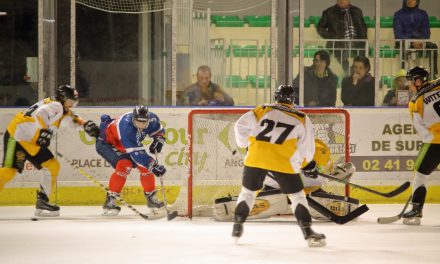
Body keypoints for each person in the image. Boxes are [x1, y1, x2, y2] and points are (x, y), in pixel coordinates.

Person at [231, 84, 326, 247]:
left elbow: (239, 126)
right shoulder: (301, 117)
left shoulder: (262, 109)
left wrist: (245, 145)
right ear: (293, 99)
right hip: (283, 161)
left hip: (256, 157)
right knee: (297, 196)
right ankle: (308, 232)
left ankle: (237, 225)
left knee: (248, 193)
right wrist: (306, 164)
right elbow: (306, 148)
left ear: (276, 97)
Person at [0, 84, 100, 216]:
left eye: (74, 102)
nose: (72, 104)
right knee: (8, 172)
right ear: (63, 98)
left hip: (32, 142)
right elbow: (40, 115)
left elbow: (73, 119)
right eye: (70, 101)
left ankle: (42, 201)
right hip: (17, 137)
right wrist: (44, 132)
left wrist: (86, 125)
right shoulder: (56, 105)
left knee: (52, 166)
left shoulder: (61, 109)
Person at [214, 139, 359, 222]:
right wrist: (345, 171)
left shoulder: (281, 146)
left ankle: (270, 201)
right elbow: (338, 171)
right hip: (304, 190)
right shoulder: (315, 149)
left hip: (281, 188)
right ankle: (305, 201)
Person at [95, 105, 167, 216]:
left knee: (145, 167)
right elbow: (136, 153)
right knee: (124, 165)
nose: (142, 126)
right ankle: (110, 201)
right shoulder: (126, 128)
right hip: (108, 143)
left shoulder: (153, 119)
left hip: (126, 144)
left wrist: (159, 139)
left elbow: (159, 130)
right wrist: (152, 165)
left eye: (144, 123)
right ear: (133, 119)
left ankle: (151, 198)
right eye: (138, 122)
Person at [402, 66, 440, 225]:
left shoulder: (415, 102)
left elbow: (424, 132)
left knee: (420, 174)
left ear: (418, 81)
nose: (409, 85)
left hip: (435, 142)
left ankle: (416, 210)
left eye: (411, 81)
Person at [316, 0, 367, 75]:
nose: (341, 1)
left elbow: (363, 27)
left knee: (360, 59)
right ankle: (349, 74)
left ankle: (352, 74)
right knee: (344, 63)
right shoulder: (329, 12)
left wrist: (363, 37)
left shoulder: (357, 11)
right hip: (338, 45)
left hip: (357, 44)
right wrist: (332, 37)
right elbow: (320, 28)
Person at [393, 0, 438, 78]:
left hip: (420, 41)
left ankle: (433, 75)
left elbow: (426, 32)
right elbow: (398, 34)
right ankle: (403, 75)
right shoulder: (398, 14)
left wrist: (421, 41)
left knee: (433, 47)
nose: (410, 0)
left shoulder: (423, 14)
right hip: (403, 42)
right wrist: (412, 42)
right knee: (403, 47)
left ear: (417, 1)